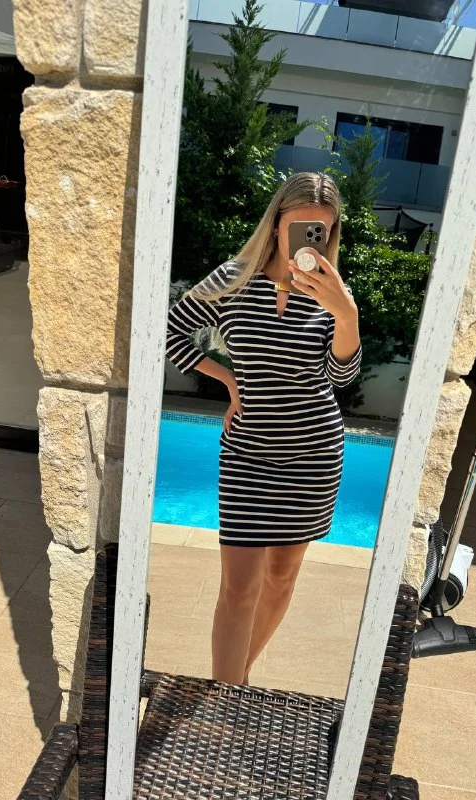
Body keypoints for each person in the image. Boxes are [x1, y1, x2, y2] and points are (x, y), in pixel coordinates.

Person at [166, 172, 361, 684]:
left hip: (314, 455)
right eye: (299, 227)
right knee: (238, 588)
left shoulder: (333, 294)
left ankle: (238, 681)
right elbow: (168, 331)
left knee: (281, 576)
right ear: (276, 224)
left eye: (320, 230)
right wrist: (228, 379)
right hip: (247, 453)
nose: (308, 240)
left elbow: (341, 376)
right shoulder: (232, 279)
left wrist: (347, 317)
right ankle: (224, 700)